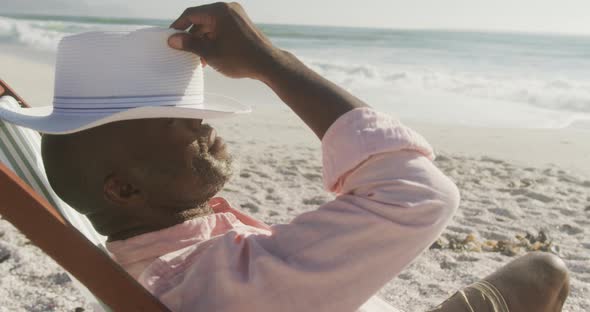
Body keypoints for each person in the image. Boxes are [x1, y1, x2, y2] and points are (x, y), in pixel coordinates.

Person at [40, 3, 570, 311]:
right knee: (544, 271)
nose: (201, 124)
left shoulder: (174, 265)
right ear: (124, 189)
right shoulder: (225, 277)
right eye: (174, 121)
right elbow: (420, 195)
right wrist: (274, 64)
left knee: (538, 272)